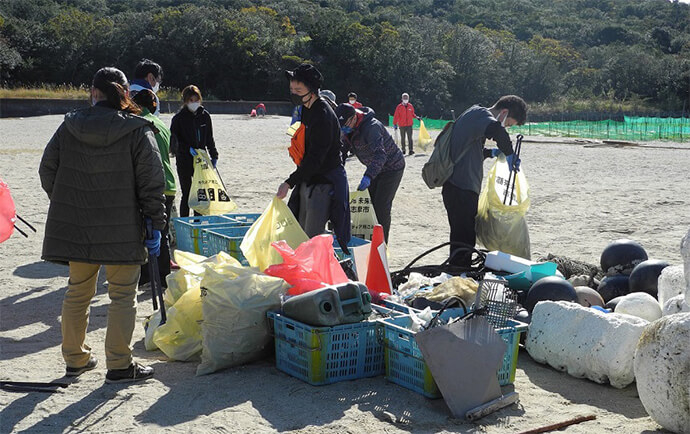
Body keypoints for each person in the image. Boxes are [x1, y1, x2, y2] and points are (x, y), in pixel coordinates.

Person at [39, 67, 165, 383]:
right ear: (124, 93)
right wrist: (156, 223)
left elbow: (47, 170)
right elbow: (152, 184)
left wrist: (67, 200)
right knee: (122, 295)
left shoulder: (68, 125)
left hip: (79, 225)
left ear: (93, 93)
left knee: (77, 292)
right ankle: (120, 364)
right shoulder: (138, 129)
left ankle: (76, 359)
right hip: (124, 228)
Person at [443, 95, 527, 266]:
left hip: (461, 187)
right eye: (509, 123)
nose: (506, 127)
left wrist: (492, 153)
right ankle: (459, 272)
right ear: (503, 112)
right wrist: (509, 154)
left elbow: (472, 150)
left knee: (465, 236)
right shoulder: (481, 116)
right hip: (460, 187)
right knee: (463, 237)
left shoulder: (475, 116)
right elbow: (497, 131)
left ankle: (460, 270)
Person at [276, 64, 350, 251]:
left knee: (312, 236)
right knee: (299, 231)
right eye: (292, 89)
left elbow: (316, 158)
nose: (294, 94)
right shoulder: (307, 108)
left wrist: (289, 182)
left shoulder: (323, 114)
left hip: (325, 181)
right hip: (309, 177)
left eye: (298, 90)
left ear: (312, 90)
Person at [335, 103, 405, 243]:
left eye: (346, 124)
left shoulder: (371, 127)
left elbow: (380, 155)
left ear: (354, 117)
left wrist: (368, 176)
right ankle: (368, 240)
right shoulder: (349, 129)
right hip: (374, 168)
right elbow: (343, 151)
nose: (344, 128)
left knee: (381, 207)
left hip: (392, 167)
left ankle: (381, 245)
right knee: (369, 205)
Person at [132, 89, 176, 288]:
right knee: (162, 232)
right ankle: (163, 276)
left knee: (145, 234)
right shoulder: (161, 124)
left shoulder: (141, 124)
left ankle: (147, 277)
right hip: (169, 184)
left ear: (138, 106)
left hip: (152, 184)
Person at [170, 85, 219, 217]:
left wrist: (214, 155)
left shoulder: (205, 116)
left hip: (201, 160)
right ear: (185, 101)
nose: (194, 103)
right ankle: (184, 222)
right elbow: (174, 142)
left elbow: (209, 138)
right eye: (191, 100)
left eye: (196, 99)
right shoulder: (178, 118)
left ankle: (198, 222)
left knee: (201, 193)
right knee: (187, 192)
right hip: (184, 160)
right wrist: (186, 149)